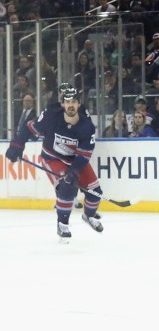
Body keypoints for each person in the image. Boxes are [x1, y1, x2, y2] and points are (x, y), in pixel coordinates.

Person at [5, 84, 104, 239]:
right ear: (63, 103)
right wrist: (17, 145)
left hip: (75, 158)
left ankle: (88, 215)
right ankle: (62, 224)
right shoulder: (51, 116)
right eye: (67, 101)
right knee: (67, 188)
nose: (70, 105)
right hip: (52, 157)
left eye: (74, 102)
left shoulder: (87, 127)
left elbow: (84, 155)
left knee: (96, 193)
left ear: (79, 104)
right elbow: (29, 127)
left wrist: (74, 172)